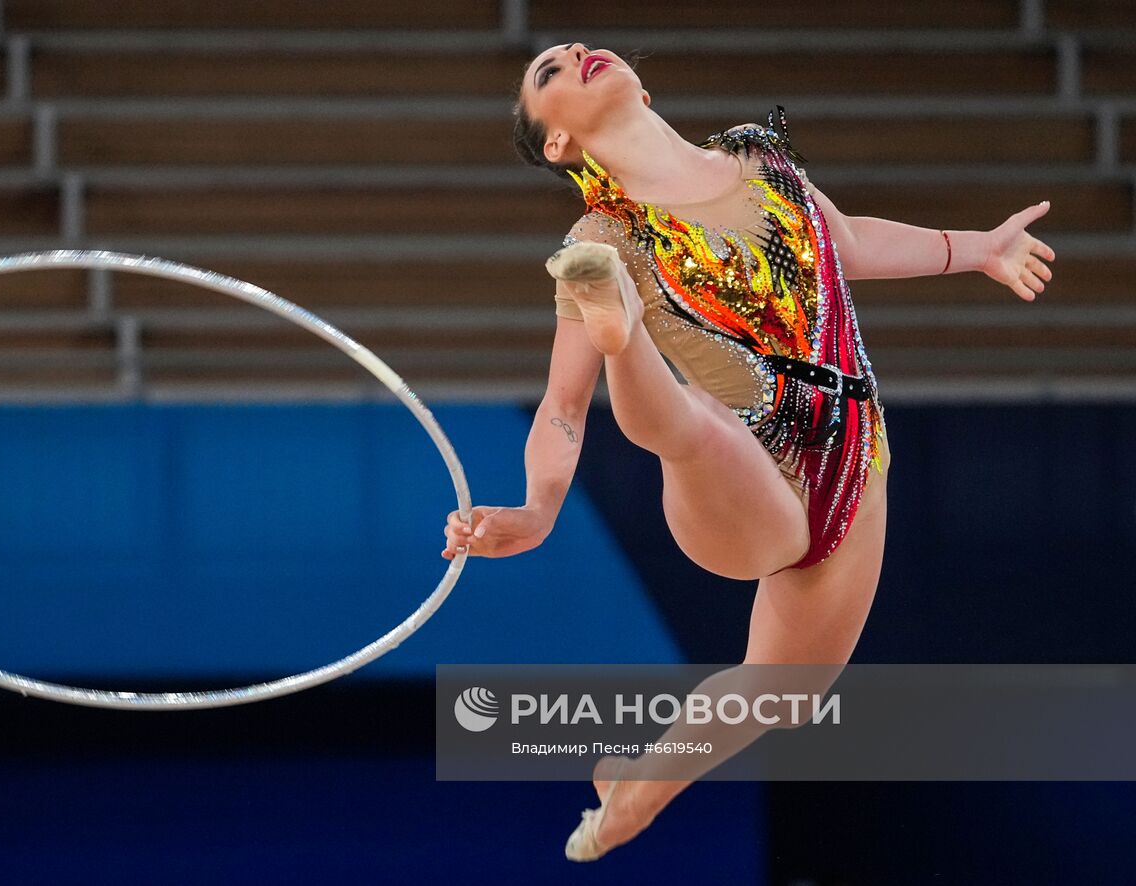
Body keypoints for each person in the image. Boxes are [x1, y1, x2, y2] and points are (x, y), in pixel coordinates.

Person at [439, 42, 1057, 861]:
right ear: (558, 145)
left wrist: (978, 248)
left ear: (644, 83)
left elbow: (850, 244)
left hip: (853, 458)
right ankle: (622, 339)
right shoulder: (603, 233)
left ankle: (635, 795)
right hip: (741, 469)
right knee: (697, 430)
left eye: (582, 46)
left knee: (785, 696)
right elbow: (560, 406)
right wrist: (540, 506)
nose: (580, 53)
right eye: (550, 70)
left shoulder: (759, 157)